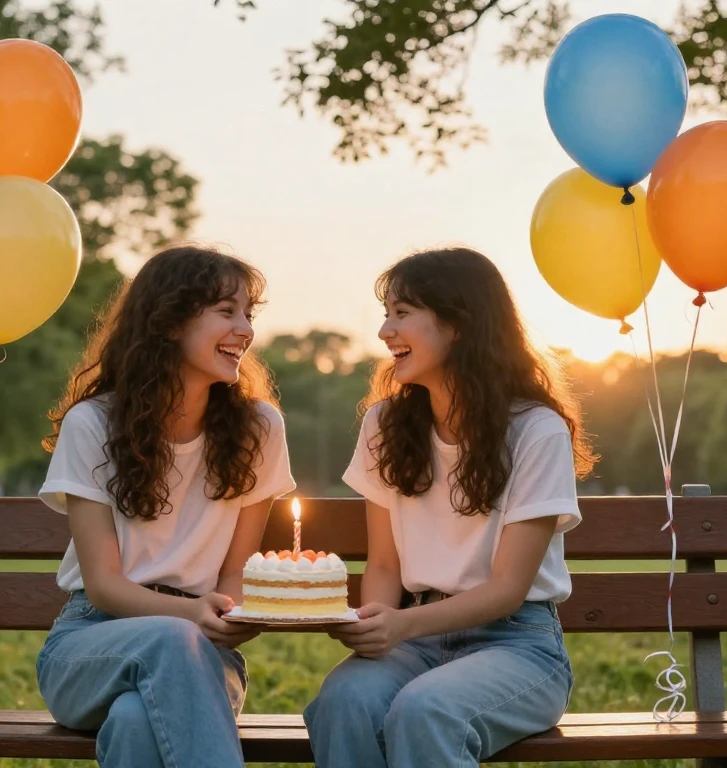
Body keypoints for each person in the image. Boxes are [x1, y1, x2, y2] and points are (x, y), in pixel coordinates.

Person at [305, 247, 596, 767]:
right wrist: (377, 625)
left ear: (459, 323)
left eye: (402, 313)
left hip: (517, 646)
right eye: (386, 314)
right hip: (412, 637)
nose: (385, 332)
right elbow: (385, 565)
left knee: (427, 710)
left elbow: (508, 589)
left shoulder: (536, 429)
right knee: (344, 701)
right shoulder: (384, 424)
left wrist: (400, 627)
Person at [36, 245, 295, 768]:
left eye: (249, 313)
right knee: (174, 639)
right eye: (227, 311)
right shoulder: (94, 424)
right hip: (90, 642)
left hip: (206, 654)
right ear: (171, 322)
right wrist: (188, 614)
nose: (245, 329)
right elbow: (105, 586)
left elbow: (235, 574)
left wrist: (226, 614)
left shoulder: (261, 429)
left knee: (135, 722)